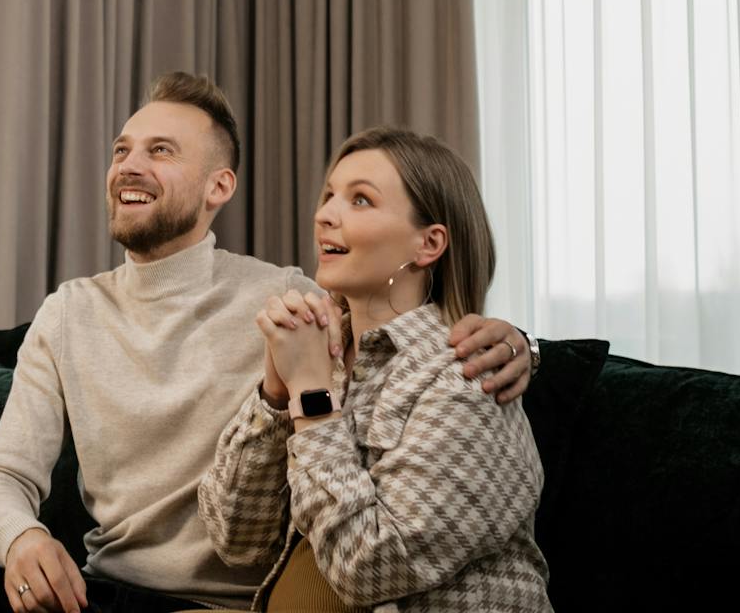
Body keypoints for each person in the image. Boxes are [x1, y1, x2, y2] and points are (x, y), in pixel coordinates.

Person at [0, 75, 537, 613]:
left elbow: (408, 333)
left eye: (159, 151)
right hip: (101, 588)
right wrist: (23, 538)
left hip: (227, 599)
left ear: (219, 186)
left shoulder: (289, 299)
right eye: (121, 150)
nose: (129, 165)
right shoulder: (69, 312)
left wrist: (518, 343)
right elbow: (3, 476)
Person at [196, 127, 551, 612]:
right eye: (329, 196)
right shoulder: (324, 354)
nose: (324, 215)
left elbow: (368, 568)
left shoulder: (467, 379)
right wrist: (276, 394)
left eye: (360, 200)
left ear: (428, 245)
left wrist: (311, 396)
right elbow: (236, 538)